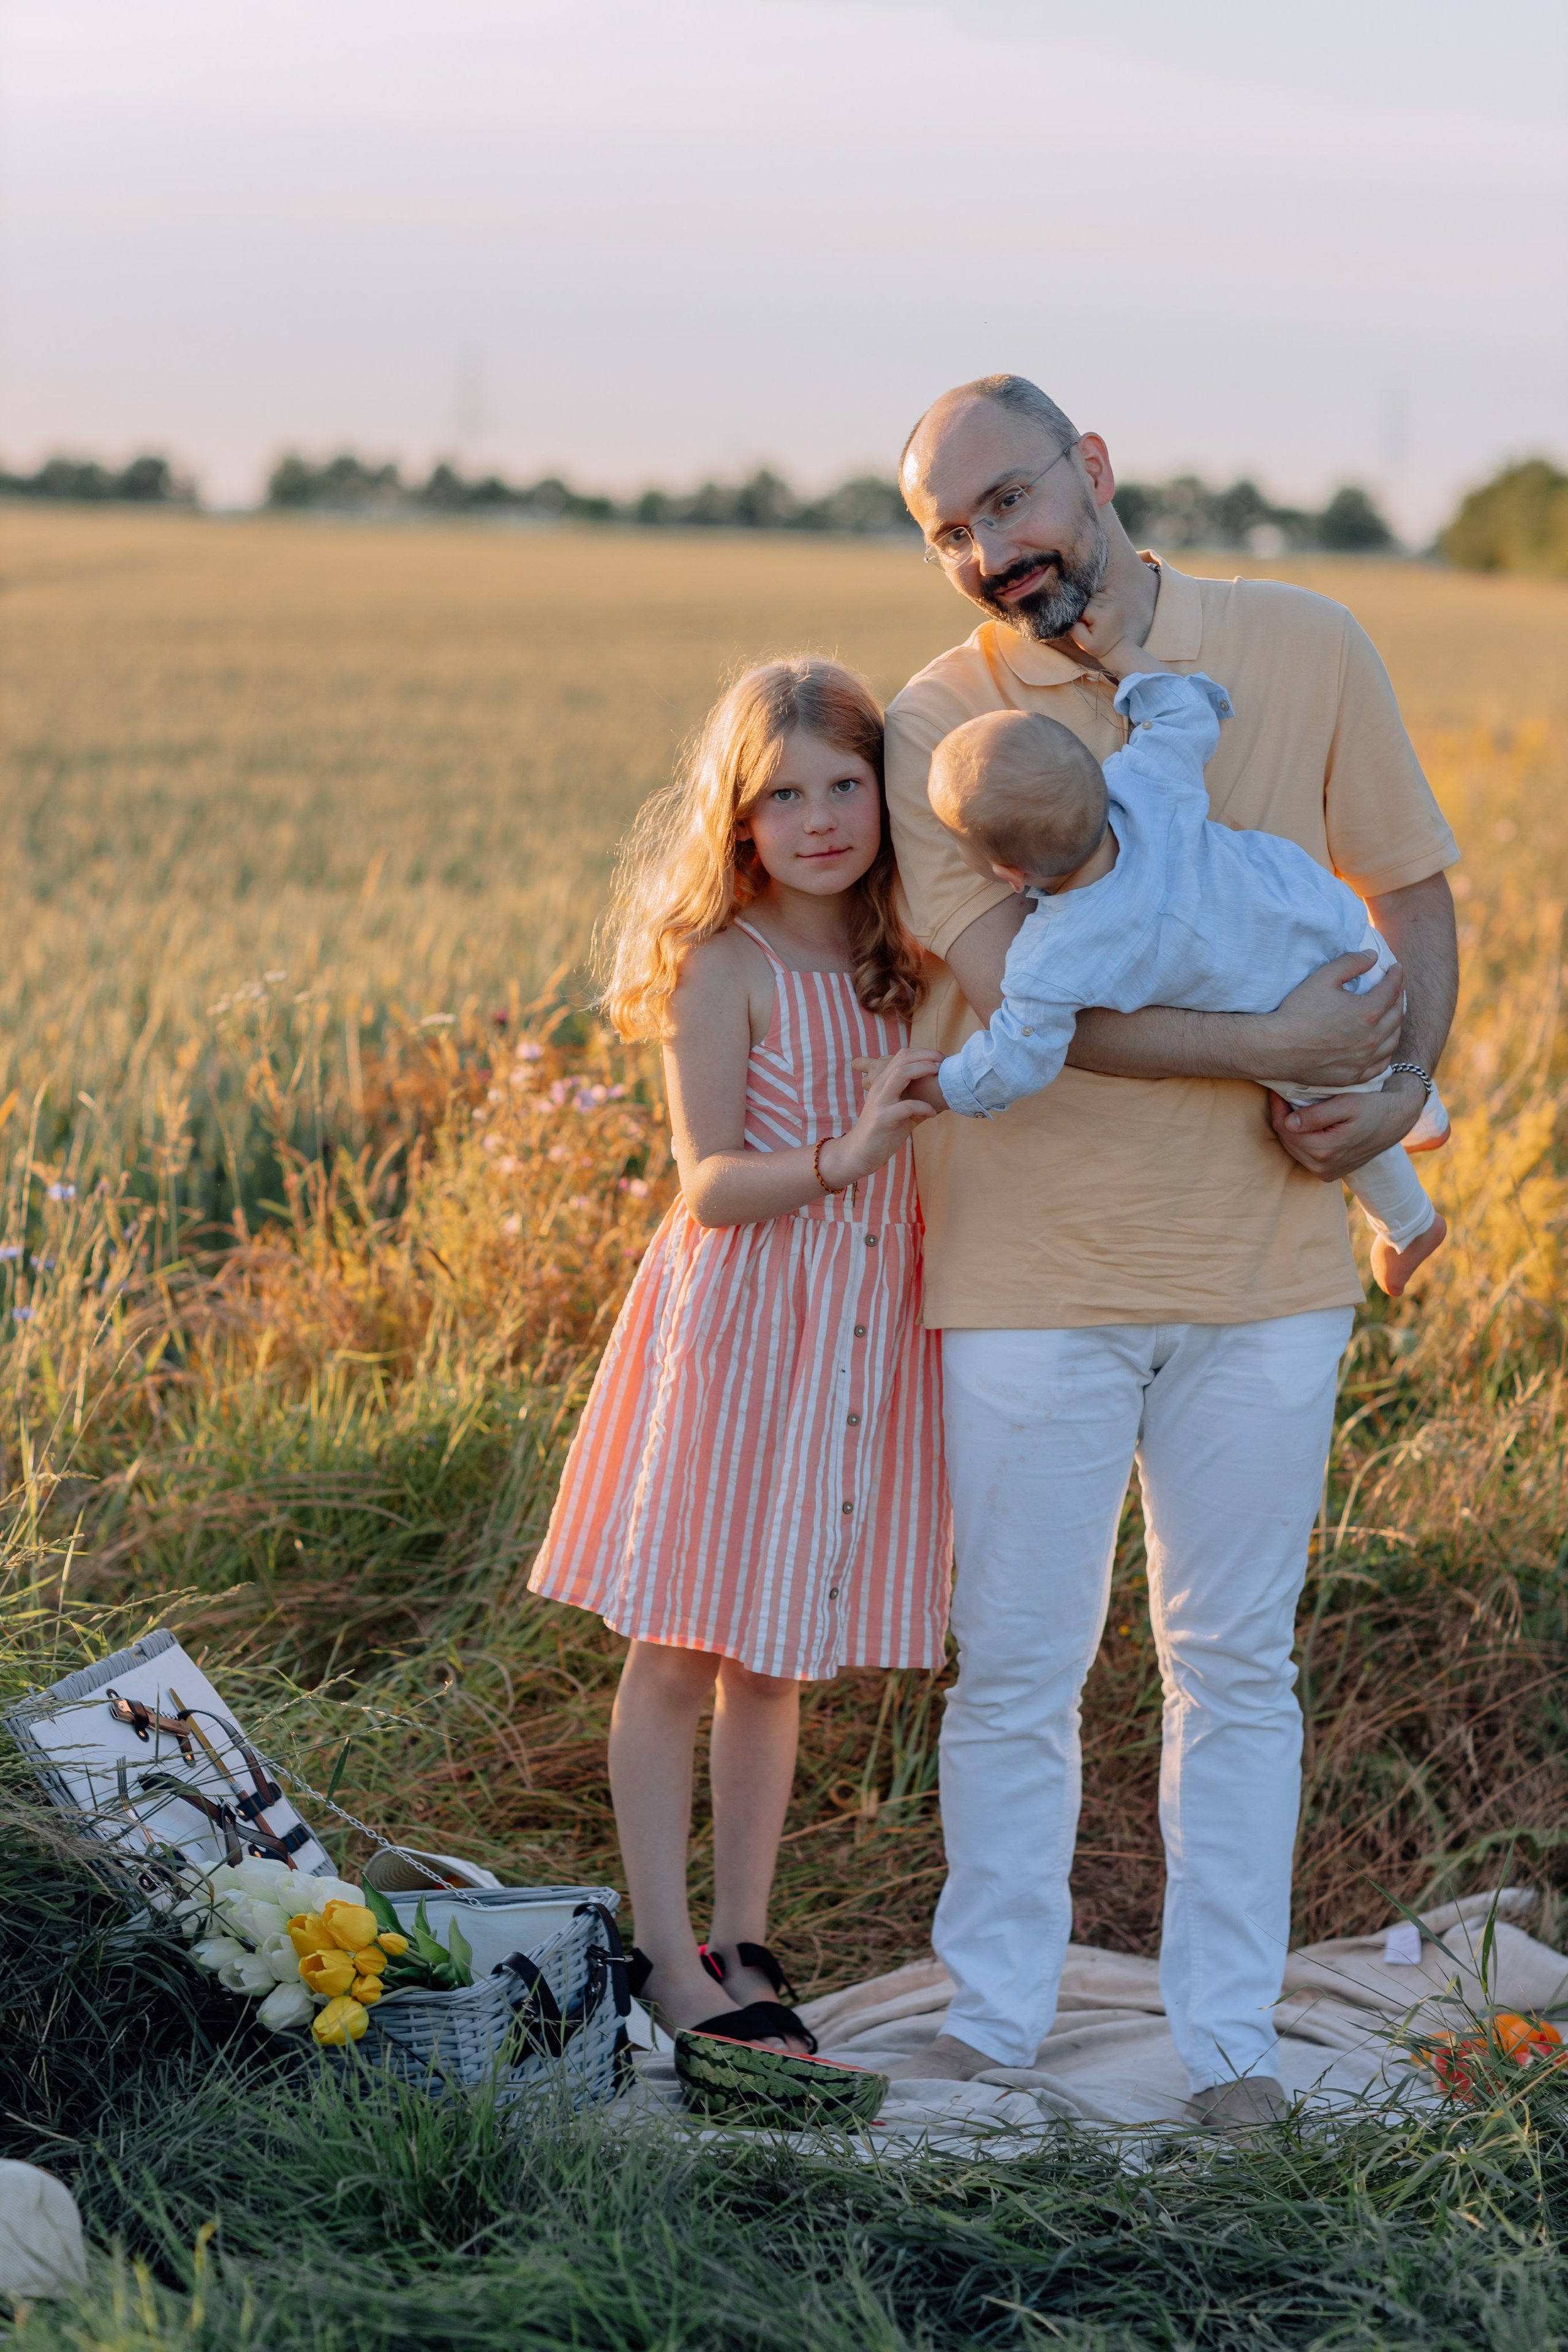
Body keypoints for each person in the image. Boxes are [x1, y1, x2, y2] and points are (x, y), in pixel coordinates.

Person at [883, 373, 1459, 2127]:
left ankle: (1227, 2046)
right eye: (951, 532)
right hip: (1031, 1283)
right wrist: (1277, 1050)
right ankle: (990, 2026)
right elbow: (1025, 995)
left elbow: (1414, 889)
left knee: (1235, 1670)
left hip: (1269, 1272)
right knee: (1018, 1673)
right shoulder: (940, 725)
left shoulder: (1295, 641)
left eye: (1008, 499)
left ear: (1097, 470)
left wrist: (1398, 1082)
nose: (992, 549)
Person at [529, 655, 952, 2053]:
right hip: (740, 1327)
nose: (821, 817)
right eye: (784, 793)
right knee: (678, 1645)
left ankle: (742, 1938)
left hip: (847, 1338)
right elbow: (708, 1180)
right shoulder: (729, 959)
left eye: (845, 785)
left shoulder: (902, 959)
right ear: (738, 813)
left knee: (772, 1659)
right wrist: (843, 1153)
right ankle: (661, 1950)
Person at [918, 584, 1449, 1298]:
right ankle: (1423, 1103)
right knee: (1380, 1035)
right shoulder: (1144, 784)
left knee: (1333, 1118)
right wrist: (1118, 652)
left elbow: (1018, 1057)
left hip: (1293, 1008)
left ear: (1008, 875)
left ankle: (1411, 1226)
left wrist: (943, 1086)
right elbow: (1182, 710)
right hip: (1339, 930)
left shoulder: (1054, 957)